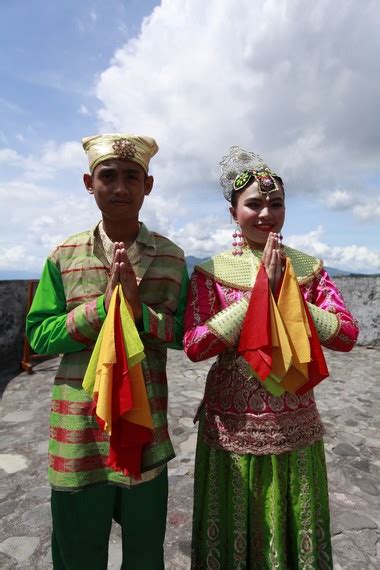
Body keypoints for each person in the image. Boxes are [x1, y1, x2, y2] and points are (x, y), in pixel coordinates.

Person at [183, 146, 359, 569]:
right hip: (232, 422)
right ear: (233, 213)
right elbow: (194, 344)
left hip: (294, 419)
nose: (266, 214)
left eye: (275, 204)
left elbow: (347, 335)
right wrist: (260, 292)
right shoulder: (212, 271)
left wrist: (290, 293)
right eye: (254, 205)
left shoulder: (308, 268)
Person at [26, 133, 189, 569]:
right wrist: (101, 309)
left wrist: (140, 314)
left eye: (131, 177)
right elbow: (39, 337)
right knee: (77, 553)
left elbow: (184, 335)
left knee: (143, 553)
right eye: (108, 176)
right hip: (79, 433)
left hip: (143, 429)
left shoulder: (172, 260)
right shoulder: (64, 256)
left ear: (147, 185)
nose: (120, 187)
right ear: (88, 182)